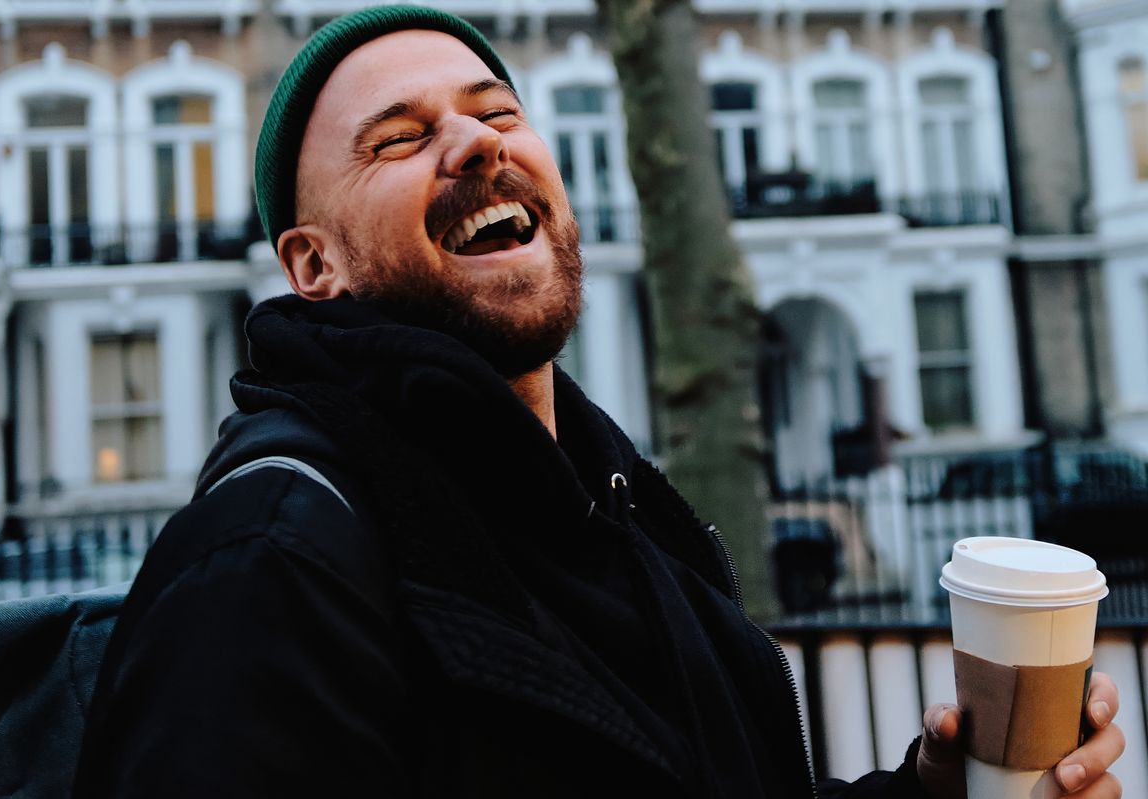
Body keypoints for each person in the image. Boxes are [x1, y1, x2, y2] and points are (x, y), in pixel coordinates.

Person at [73, 7, 1124, 798]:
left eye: (497, 113)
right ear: (313, 264)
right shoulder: (269, 566)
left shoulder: (621, 516)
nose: (480, 143)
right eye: (398, 139)